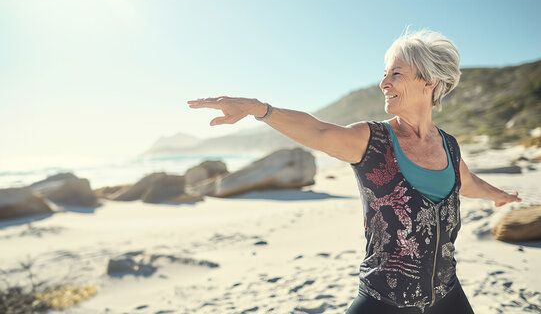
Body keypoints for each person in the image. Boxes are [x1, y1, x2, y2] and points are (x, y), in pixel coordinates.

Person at [186, 29, 522, 313]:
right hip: (383, 300)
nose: (383, 83)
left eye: (396, 74)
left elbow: (466, 181)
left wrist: (499, 195)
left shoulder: (449, 145)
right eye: (385, 73)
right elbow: (318, 132)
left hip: (447, 295)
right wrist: (259, 109)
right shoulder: (373, 141)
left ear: (429, 81)